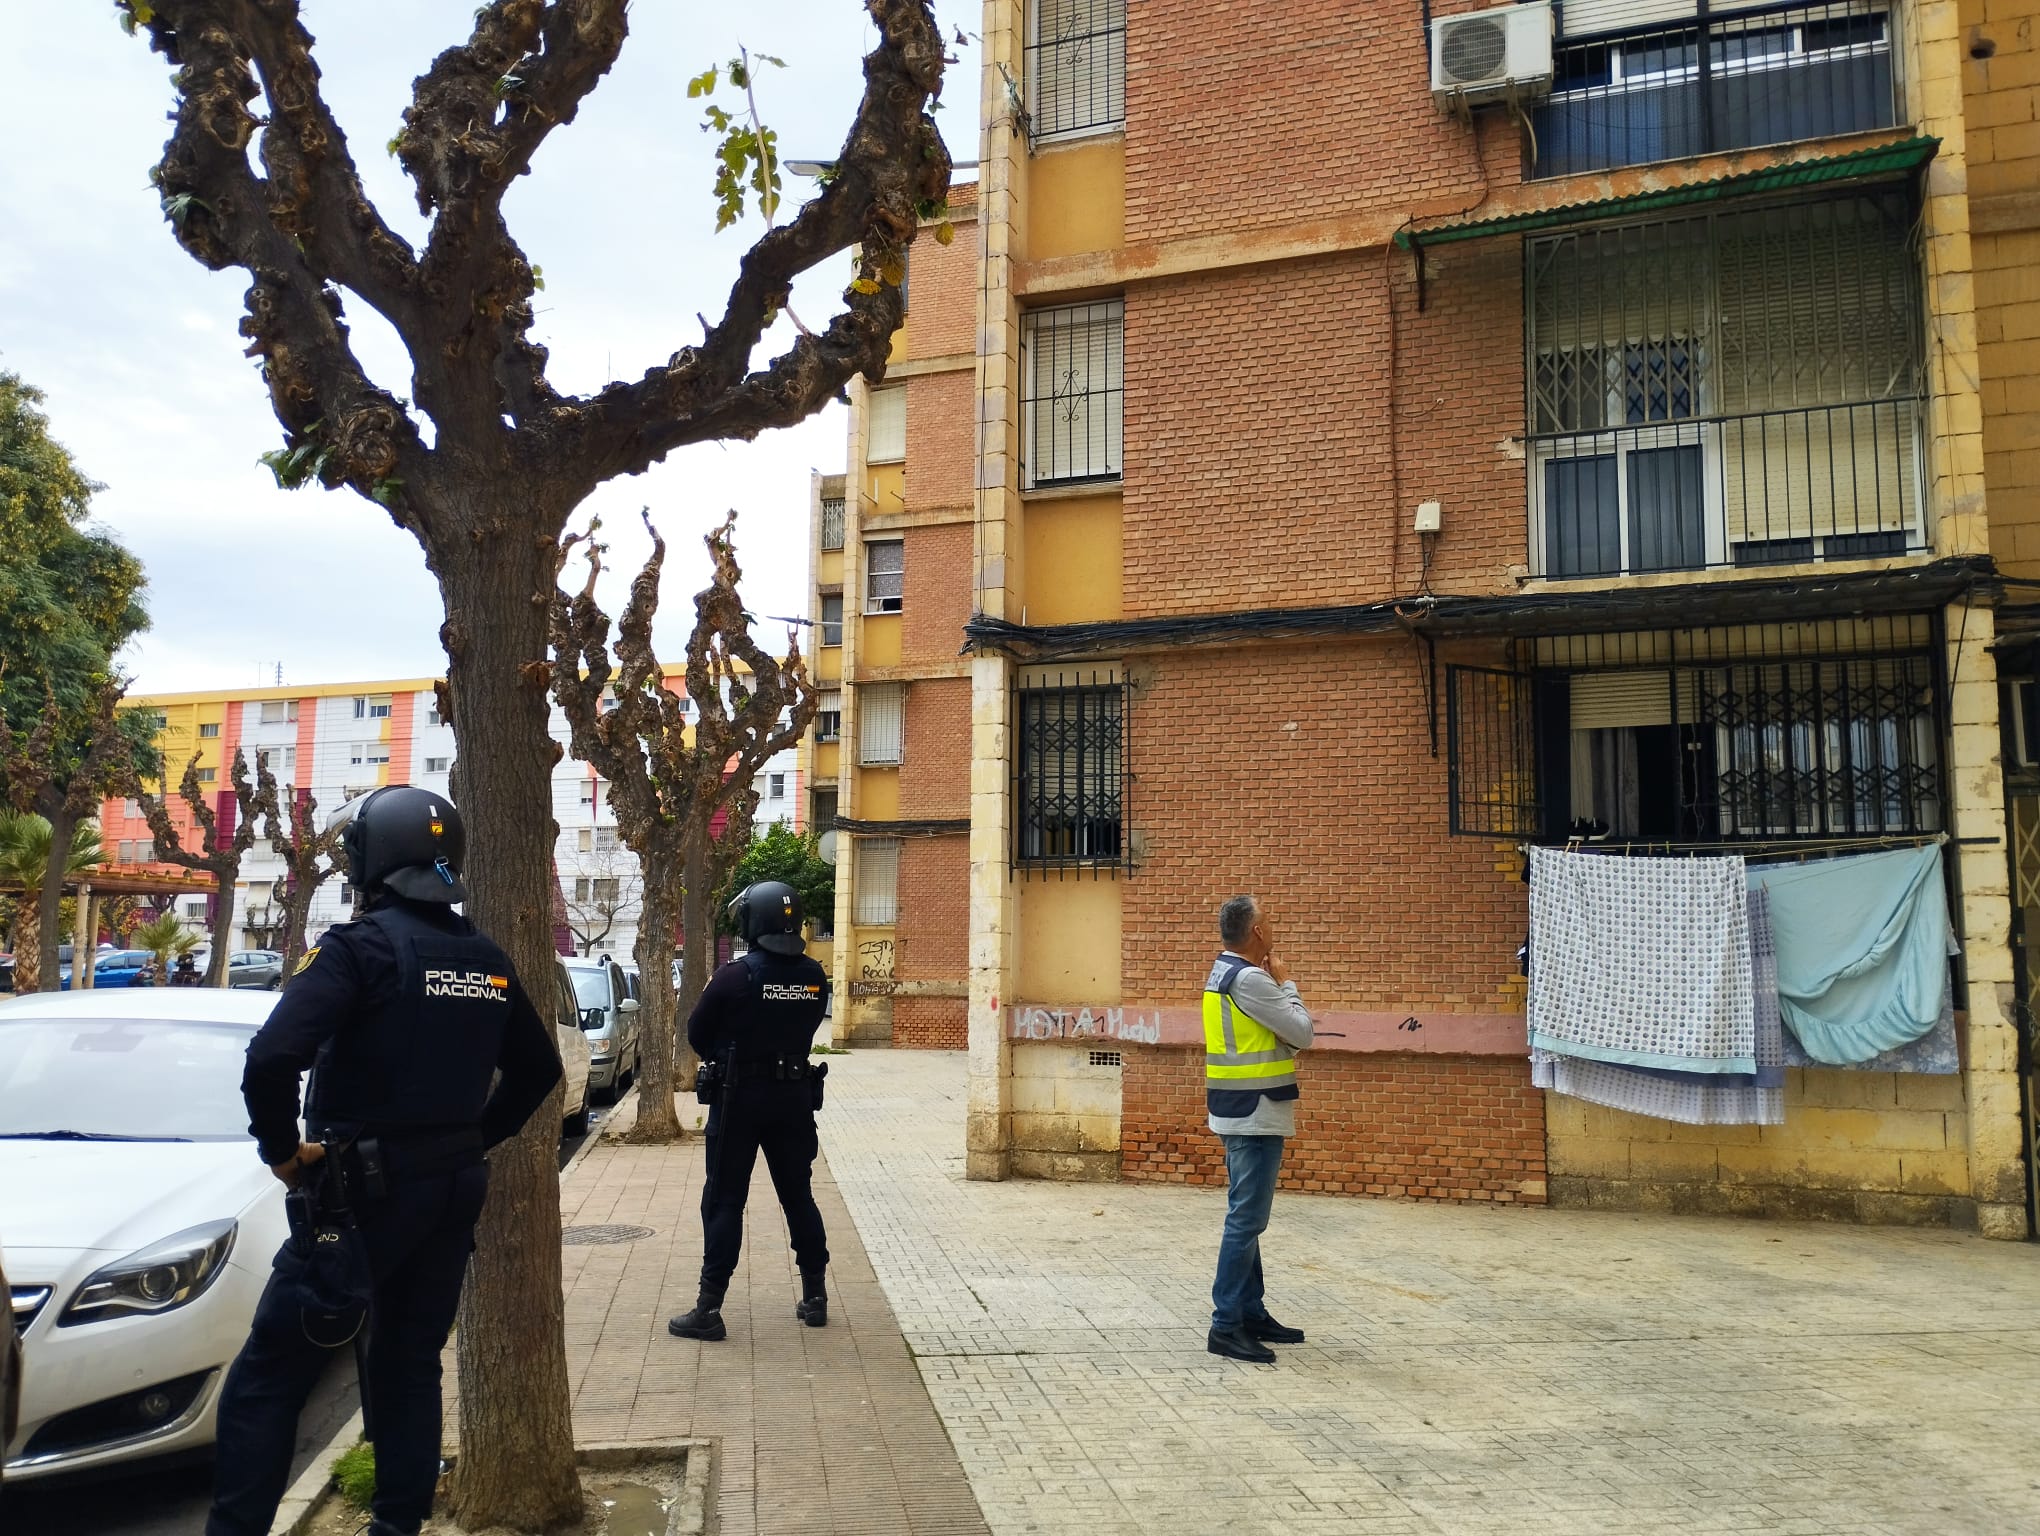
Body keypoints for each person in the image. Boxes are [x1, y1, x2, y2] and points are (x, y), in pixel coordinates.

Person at [205, 786, 563, 1536]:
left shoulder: (358, 948)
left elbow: (272, 1059)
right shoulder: (485, 957)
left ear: (370, 860)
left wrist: (280, 1153)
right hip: (450, 1192)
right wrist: (472, 1140)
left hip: (359, 1197)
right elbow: (539, 1074)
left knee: (268, 1381)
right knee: (408, 1368)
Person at [668, 881, 832, 1341]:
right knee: (798, 1196)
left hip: (738, 1101)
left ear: (753, 922)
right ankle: (815, 1296)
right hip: (794, 1101)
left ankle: (709, 1307)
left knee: (724, 1200)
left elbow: (698, 1033)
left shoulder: (734, 976)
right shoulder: (815, 976)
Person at [1203, 894, 1316, 1364]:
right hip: (1254, 1111)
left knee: (1245, 1218)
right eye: (1267, 922)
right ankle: (1226, 1325)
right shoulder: (1251, 979)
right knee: (1246, 1220)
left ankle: (1250, 1312)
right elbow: (1303, 1032)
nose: (1272, 929)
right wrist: (1288, 983)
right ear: (1255, 934)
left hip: (1239, 1107)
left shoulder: (1222, 972)